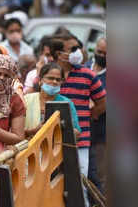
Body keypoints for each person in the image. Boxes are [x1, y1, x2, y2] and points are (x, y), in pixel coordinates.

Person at [54, 34, 106, 207]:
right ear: (59, 53)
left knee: (80, 184)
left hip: (80, 141)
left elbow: (103, 102)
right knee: (54, 184)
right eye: (73, 49)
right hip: (52, 141)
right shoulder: (51, 75)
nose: (79, 52)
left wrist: (87, 116)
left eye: (78, 47)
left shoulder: (88, 75)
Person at [23, 63, 81, 139]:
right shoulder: (27, 100)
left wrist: (60, 128)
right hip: (30, 148)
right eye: (50, 78)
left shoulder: (66, 103)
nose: (54, 82)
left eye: (58, 79)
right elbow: (17, 131)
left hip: (56, 149)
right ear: (40, 80)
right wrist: (34, 131)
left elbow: (77, 133)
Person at [88, 37, 107, 194]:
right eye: (99, 52)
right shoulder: (85, 67)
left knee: (100, 175)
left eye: (106, 53)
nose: (102, 55)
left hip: (102, 134)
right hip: (83, 134)